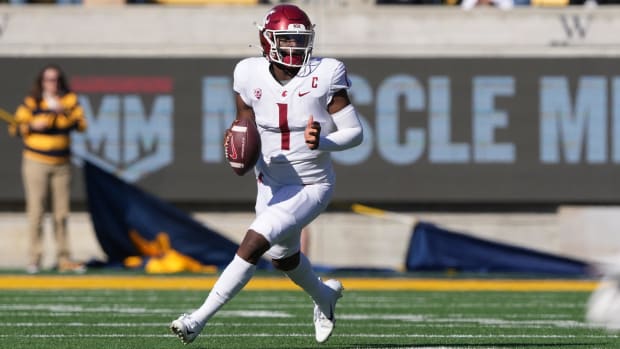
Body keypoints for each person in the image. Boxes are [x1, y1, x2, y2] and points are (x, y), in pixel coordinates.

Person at [170, 4, 363, 345]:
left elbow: (355, 133)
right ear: (267, 41)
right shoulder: (247, 73)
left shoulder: (327, 72)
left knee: (253, 242)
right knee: (283, 259)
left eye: (300, 40)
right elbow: (243, 124)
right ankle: (325, 297)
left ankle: (197, 319)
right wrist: (237, 148)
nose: (294, 48)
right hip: (270, 182)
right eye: (286, 40)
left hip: (311, 184)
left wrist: (325, 140)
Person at [8, 64, 88, 274]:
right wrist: (32, 126)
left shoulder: (69, 100)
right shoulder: (32, 101)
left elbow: (81, 124)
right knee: (36, 211)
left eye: (55, 79)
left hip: (62, 164)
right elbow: (15, 127)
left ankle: (64, 258)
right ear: (41, 82)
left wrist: (65, 111)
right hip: (36, 162)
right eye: (48, 79)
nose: (52, 83)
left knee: (61, 214)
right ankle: (35, 258)